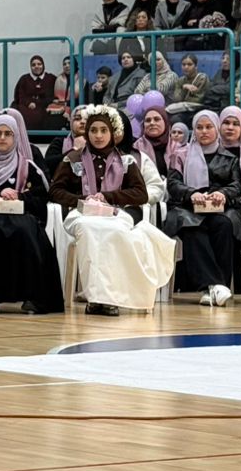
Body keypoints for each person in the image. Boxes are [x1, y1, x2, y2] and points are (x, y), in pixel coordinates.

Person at [49, 108, 174, 316]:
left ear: (112, 133)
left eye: (103, 130)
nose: (98, 136)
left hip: (115, 213)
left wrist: (109, 197)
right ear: (87, 133)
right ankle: (94, 297)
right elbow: (55, 191)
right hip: (82, 213)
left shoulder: (126, 161)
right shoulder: (73, 158)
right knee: (89, 230)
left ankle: (109, 298)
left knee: (115, 232)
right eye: (93, 130)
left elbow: (140, 193)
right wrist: (82, 200)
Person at [0, 111, 61, 315]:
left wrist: (20, 197)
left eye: (8, 134)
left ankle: (34, 298)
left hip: (22, 216)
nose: (2, 138)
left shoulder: (27, 166)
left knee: (25, 230)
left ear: (16, 137)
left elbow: (41, 199)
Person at [164, 110, 241, 306]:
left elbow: (237, 185)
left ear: (216, 129)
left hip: (219, 207)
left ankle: (215, 288)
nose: (204, 131)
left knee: (224, 225)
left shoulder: (229, 157)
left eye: (209, 127)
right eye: (199, 127)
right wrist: (191, 193)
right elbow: (173, 184)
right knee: (192, 227)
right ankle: (216, 286)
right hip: (187, 207)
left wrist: (223, 194)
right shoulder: (181, 154)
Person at [12, 55, 60, 133]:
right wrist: (28, 103)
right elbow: (19, 95)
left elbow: (57, 93)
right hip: (27, 107)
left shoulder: (51, 78)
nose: (36, 66)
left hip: (45, 106)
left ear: (43, 65)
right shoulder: (24, 79)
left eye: (39, 64)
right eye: (33, 65)